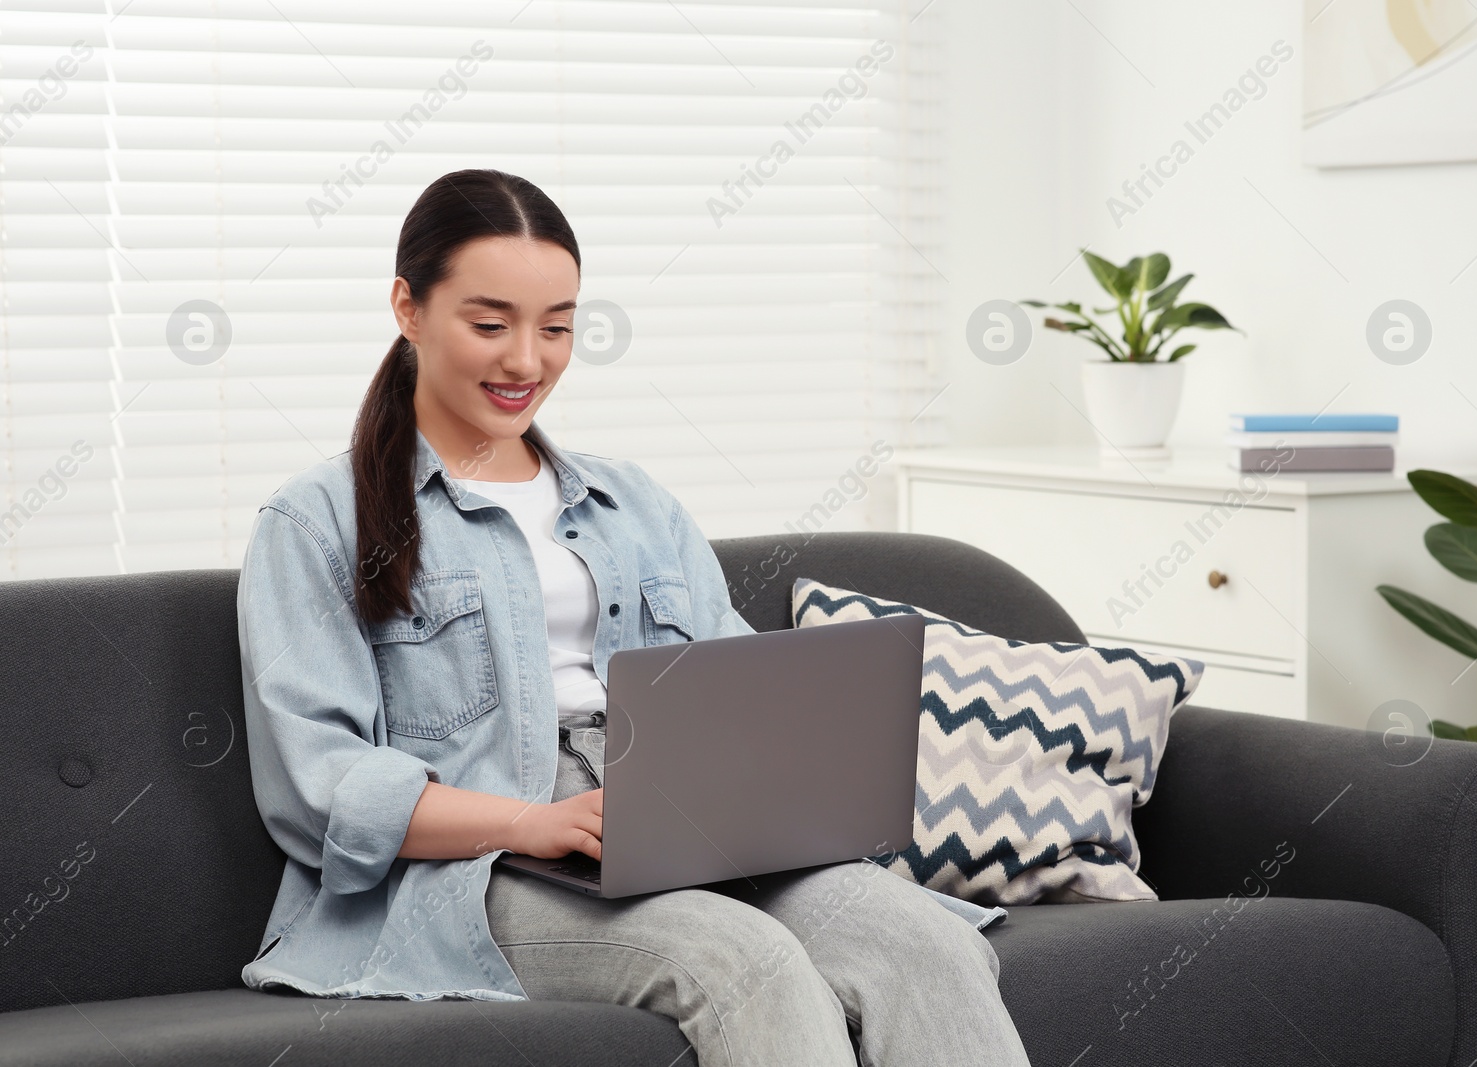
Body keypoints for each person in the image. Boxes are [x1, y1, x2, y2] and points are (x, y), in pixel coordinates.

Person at [236, 167, 1031, 1066]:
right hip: (481, 869)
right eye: (490, 324)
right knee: (748, 963)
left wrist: (792, 779)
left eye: (558, 326)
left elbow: (738, 684)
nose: (527, 360)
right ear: (408, 308)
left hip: (679, 831)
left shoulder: (634, 502)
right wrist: (526, 822)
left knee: (923, 942)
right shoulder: (315, 522)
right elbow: (321, 786)